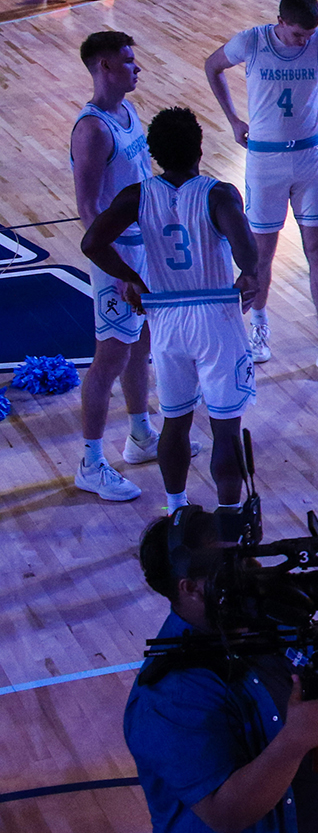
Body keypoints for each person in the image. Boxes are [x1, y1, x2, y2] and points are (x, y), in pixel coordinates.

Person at [125, 507, 318, 833]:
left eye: (240, 558)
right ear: (189, 587)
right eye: (226, 568)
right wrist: (295, 741)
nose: (246, 572)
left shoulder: (261, 617)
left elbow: (300, 682)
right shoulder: (168, 695)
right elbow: (224, 813)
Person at [81, 108, 259, 511]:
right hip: (215, 316)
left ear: (155, 154)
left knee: (174, 424)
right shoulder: (219, 193)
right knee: (226, 431)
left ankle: (177, 511)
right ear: (199, 147)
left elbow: (92, 243)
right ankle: (229, 521)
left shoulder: (137, 195)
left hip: (166, 319)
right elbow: (248, 253)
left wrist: (133, 279)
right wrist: (249, 276)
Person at [204, 0, 318, 383]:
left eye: (309, 35)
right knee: (261, 257)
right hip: (265, 160)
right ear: (281, 22)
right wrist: (234, 121)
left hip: (309, 158)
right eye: (297, 35)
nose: (304, 41)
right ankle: (259, 331)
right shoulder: (251, 42)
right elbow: (212, 66)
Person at [70, 31, 158, 503]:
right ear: (104, 66)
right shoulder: (93, 129)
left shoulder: (127, 112)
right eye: (128, 61)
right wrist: (120, 269)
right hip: (115, 257)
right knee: (109, 359)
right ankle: (90, 462)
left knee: (140, 344)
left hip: (142, 248)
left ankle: (141, 436)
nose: (136, 67)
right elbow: (87, 210)